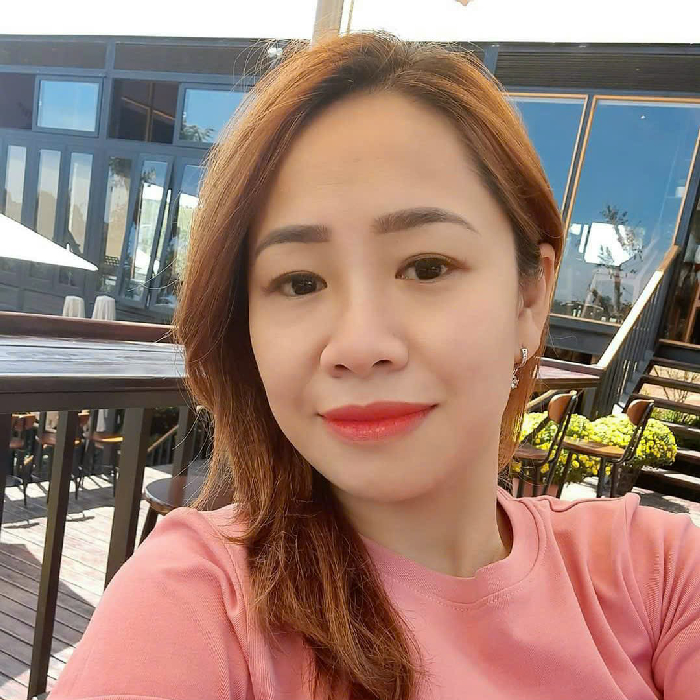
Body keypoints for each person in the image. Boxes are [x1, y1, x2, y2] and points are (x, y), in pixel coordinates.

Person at [50, 31, 700, 700]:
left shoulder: (656, 573)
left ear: (530, 298)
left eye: (426, 267)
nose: (359, 345)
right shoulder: (195, 607)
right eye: (300, 282)